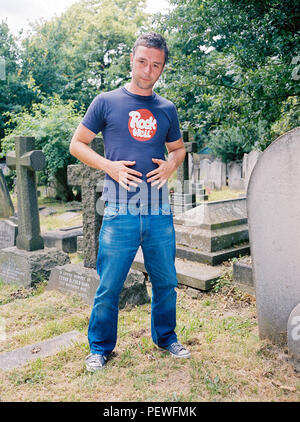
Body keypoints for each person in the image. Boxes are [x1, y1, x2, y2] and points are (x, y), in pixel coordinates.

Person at [69, 32, 191, 372]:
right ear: (132, 60)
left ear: (162, 69)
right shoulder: (106, 102)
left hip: (158, 211)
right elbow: (77, 144)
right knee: (109, 284)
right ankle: (100, 348)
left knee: (166, 281)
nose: (147, 70)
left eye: (156, 65)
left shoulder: (167, 109)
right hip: (120, 210)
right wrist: (108, 165)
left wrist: (171, 164)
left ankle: (166, 338)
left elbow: (178, 148)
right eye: (142, 61)